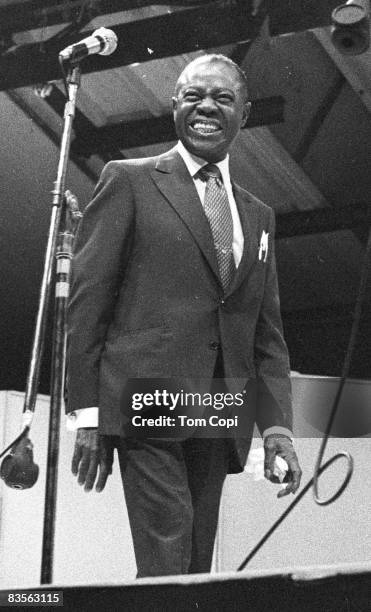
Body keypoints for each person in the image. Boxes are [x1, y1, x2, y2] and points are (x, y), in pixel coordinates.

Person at [66, 54, 302, 577]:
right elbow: (88, 304)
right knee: (168, 552)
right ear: (174, 105)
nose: (206, 107)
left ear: (245, 112)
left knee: (195, 563)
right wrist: (88, 415)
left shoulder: (258, 215)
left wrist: (277, 430)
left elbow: (266, 334)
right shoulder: (128, 180)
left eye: (222, 98)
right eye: (193, 95)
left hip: (220, 406)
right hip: (148, 397)